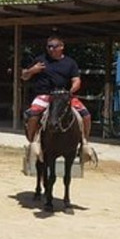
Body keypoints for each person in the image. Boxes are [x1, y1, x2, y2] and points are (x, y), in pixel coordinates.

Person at [21, 35, 95, 164]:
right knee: (33, 115)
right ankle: (33, 142)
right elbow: (24, 76)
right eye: (49, 46)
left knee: (86, 115)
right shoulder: (40, 60)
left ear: (61, 47)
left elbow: (76, 80)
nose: (51, 49)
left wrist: (71, 91)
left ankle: (84, 143)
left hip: (64, 95)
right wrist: (33, 70)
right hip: (44, 95)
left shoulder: (70, 63)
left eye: (54, 46)